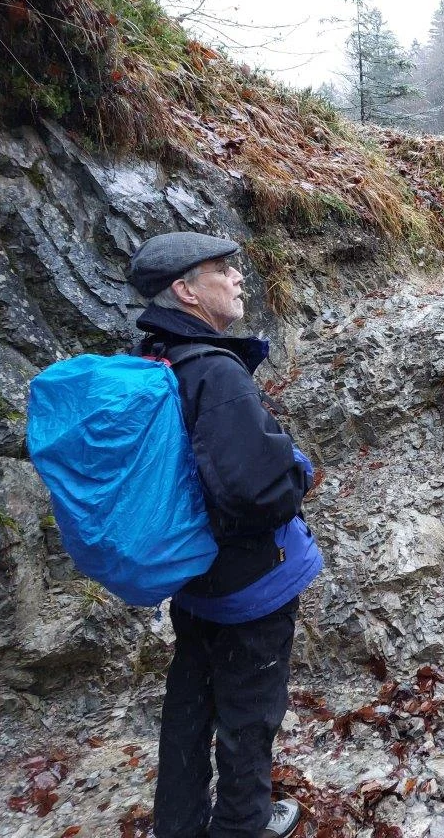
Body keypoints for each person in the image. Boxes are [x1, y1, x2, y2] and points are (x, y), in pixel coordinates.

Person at [127, 231, 322, 838]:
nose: (238, 278)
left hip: (191, 575)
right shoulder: (215, 371)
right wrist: (297, 468)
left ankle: (178, 825)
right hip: (249, 582)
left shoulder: (153, 357)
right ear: (186, 289)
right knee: (249, 711)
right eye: (222, 269)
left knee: (190, 701)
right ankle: (243, 824)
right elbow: (260, 491)